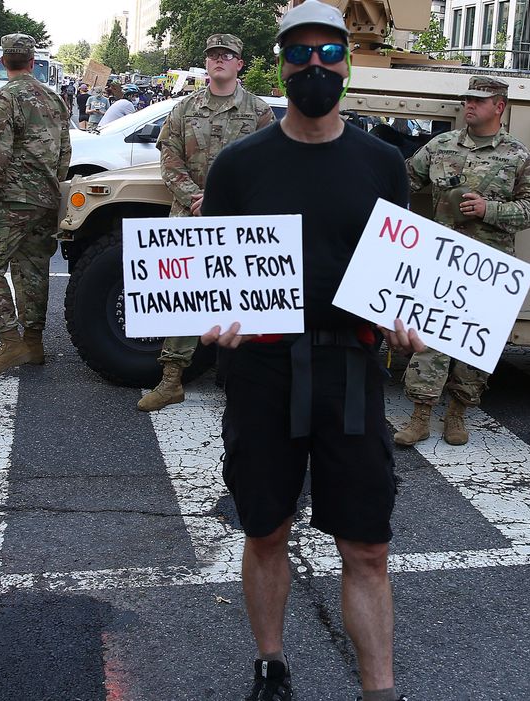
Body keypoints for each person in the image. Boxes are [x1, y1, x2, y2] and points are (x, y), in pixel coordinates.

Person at [199, 3, 415, 699]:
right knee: (265, 530)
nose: (314, 67)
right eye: (301, 55)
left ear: (347, 64)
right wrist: (216, 317)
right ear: (281, 65)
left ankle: (378, 688)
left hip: (348, 370)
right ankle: (270, 663)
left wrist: (401, 319)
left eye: (329, 54)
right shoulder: (238, 165)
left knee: (368, 545)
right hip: (260, 369)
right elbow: (215, 271)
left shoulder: (384, 164)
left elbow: (400, 272)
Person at [395, 74, 530, 446]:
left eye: (479, 101)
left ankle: (458, 414)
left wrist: (488, 209)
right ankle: (420, 415)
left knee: (475, 343)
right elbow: (402, 182)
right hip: (444, 262)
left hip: (489, 266)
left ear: (499, 106)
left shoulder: (516, 155)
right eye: (467, 100)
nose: (470, 105)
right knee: (429, 337)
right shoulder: (441, 146)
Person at [137, 33, 273, 412]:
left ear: (239, 64)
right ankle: (171, 381)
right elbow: (170, 158)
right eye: (213, 55)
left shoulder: (259, 112)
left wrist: (224, 202)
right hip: (189, 214)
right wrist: (195, 198)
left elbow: (266, 168)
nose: (219, 60)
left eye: (227, 55)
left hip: (237, 219)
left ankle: (245, 382)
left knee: (242, 301)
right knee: (182, 300)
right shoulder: (185, 108)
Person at [0, 33, 71, 380]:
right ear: (31, 62)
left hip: (13, 196)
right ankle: (33, 343)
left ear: (4, 61)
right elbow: (65, 151)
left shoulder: (4, 97)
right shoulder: (54, 99)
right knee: (32, 267)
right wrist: (52, 186)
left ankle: (10, 340)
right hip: (46, 195)